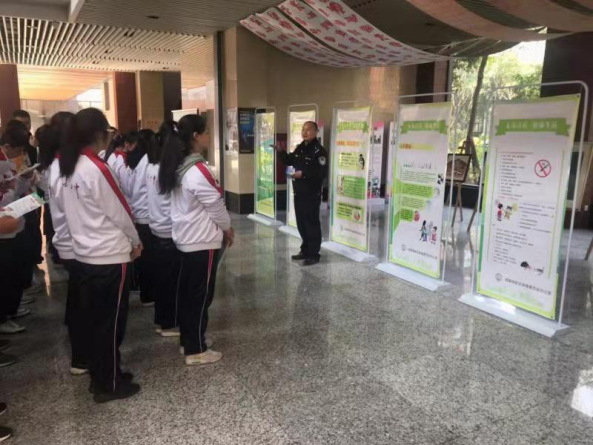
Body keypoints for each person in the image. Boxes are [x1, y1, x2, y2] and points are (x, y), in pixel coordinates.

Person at [59, 108, 142, 403]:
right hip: (109, 256)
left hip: (84, 255)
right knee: (111, 323)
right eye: (108, 133)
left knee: (96, 322)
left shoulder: (67, 167)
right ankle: (109, 384)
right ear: (98, 134)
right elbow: (120, 211)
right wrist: (135, 240)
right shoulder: (96, 168)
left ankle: (104, 374)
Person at [159, 114, 234, 366]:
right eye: (207, 131)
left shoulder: (179, 165)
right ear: (196, 136)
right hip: (202, 241)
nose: (209, 135)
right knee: (200, 296)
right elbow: (215, 204)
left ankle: (189, 340)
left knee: (189, 294)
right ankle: (195, 349)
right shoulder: (198, 169)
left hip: (186, 238)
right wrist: (227, 228)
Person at [0, 122, 36, 335]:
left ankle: (11, 308)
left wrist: (25, 178)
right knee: (5, 275)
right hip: (4, 225)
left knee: (15, 270)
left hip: (14, 217)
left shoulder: (13, 161)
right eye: (18, 149)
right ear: (7, 146)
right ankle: (4, 316)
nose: (21, 154)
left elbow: (17, 191)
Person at [146, 121, 181, 337]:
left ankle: (162, 320)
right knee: (172, 282)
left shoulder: (151, 165)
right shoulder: (170, 169)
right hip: (170, 231)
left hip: (156, 227)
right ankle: (169, 323)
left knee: (162, 280)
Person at [275, 121, 327, 266]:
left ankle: (314, 254)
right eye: (303, 129)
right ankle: (305, 250)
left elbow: (321, 172)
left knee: (311, 223)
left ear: (316, 131)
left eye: (308, 130)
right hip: (299, 192)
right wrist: (281, 152)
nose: (305, 132)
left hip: (311, 193)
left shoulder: (319, 151)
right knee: (301, 223)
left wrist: (304, 174)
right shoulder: (300, 148)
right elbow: (289, 160)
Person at [120, 132, 154, 306]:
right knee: (148, 260)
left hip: (137, 215)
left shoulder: (131, 163)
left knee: (142, 259)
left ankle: (144, 292)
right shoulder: (147, 162)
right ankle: (148, 295)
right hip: (146, 217)